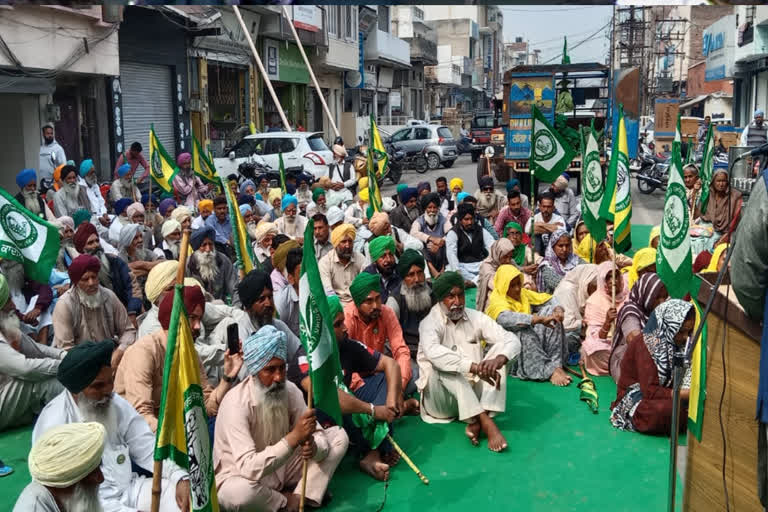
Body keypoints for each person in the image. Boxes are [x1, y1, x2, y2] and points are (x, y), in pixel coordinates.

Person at [34, 341, 191, 511]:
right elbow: (70, 499)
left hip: (130, 490)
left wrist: (179, 477)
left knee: (188, 500)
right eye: (98, 386)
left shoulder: (114, 403)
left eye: (110, 381)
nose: (109, 390)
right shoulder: (54, 425)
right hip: (89, 505)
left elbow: (147, 448)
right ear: (75, 390)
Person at [214, 326, 348, 511]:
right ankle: (284, 503)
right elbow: (248, 467)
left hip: (283, 469)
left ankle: (302, 495)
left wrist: (314, 447)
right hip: (244, 477)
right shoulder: (235, 404)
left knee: (338, 436)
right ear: (254, 372)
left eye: (281, 368)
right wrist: (294, 437)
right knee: (238, 495)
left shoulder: (290, 390)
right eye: (269, 370)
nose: (278, 377)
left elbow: (318, 435)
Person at [114, 285, 242, 432]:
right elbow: (141, 416)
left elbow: (206, 407)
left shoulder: (190, 354)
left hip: (180, 430)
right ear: (175, 319)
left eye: (199, 319)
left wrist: (227, 378)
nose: (197, 326)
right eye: (192, 318)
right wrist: (177, 442)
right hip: (146, 438)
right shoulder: (144, 352)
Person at [417, 272, 520, 451]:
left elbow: (511, 339)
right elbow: (434, 353)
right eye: (451, 296)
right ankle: (486, 422)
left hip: (474, 395)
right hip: (441, 403)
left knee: (501, 351)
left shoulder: (475, 317)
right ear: (440, 299)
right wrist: (474, 367)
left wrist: (499, 359)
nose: (458, 301)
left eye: (461, 295)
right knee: (443, 365)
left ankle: (479, 417)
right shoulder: (429, 323)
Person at [316, 296, 405, 481]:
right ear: (323, 329)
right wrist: (372, 410)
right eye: (338, 324)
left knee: (388, 383)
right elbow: (329, 396)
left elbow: (391, 365)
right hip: (320, 423)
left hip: (348, 412)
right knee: (355, 416)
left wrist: (389, 404)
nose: (345, 328)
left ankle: (373, 453)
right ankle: (375, 450)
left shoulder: (346, 345)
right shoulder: (306, 358)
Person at [610, 300, 695, 434]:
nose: (685, 337)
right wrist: (684, 394)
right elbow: (650, 391)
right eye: (681, 332)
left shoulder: (676, 343)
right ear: (668, 326)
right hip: (638, 395)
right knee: (667, 411)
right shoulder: (646, 345)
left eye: (688, 332)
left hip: (665, 392)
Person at [486, 265, 570, 386]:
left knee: (550, 312)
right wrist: (538, 319)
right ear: (503, 286)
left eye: (518, 284)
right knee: (523, 329)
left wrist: (557, 310)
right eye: (512, 285)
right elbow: (505, 319)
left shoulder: (522, 293)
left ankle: (556, 364)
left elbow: (549, 299)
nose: (517, 289)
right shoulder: (496, 301)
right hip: (507, 351)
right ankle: (548, 370)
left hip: (530, 343)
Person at [0, 274, 64, 431]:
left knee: (46, 373)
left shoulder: (5, 325)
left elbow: (36, 349)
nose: (13, 305)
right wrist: (65, 365)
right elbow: (25, 368)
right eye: (8, 300)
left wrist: (65, 356)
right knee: (41, 382)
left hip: (6, 393)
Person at [51, 255, 136, 368]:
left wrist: (120, 351)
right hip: (80, 364)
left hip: (110, 358)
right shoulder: (65, 304)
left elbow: (128, 330)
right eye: (85, 279)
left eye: (94, 277)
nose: (91, 283)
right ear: (76, 282)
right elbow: (67, 349)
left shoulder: (109, 296)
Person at [345, 273, 413, 393]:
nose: (376, 305)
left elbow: (400, 349)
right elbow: (343, 363)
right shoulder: (347, 319)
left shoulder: (386, 312)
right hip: (355, 379)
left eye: (378, 298)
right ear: (357, 303)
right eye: (369, 301)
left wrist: (400, 385)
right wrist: (360, 387)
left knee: (414, 376)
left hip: (378, 372)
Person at [14, 422, 106, 512]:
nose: (101, 479)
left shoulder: (66, 499)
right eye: (91, 475)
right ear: (65, 482)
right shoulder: (34, 508)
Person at [73, 222, 143, 318]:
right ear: (81, 248)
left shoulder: (114, 261)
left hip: (125, 313)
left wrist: (132, 311)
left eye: (97, 241)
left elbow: (132, 287)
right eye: (90, 243)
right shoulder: (77, 271)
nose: (96, 245)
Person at [609, 273, 668, 384]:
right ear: (646, 294)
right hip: (626, 360)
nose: (662, 302)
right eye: (657, 297)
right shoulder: (630, 311)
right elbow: (634, 341)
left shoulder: (659, 312)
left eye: (664, 297)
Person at [581, 261, 629, 376]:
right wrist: (607, 322)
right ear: (602, 281)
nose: (613, 282)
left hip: (626, 342)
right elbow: (594, 336)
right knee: (593, 352)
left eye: (616, 277)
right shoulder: (594, 301)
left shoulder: (629, 296)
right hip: (606, 345)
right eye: (608, 278)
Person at [387, 249, 431, 359]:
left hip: (435, 346)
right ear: (403, 278)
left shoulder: (433, 292)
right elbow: (390, 339)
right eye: (411, 275)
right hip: (409, 352)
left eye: (420, 273)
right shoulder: (394, 302)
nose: (416, 279)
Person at [552, 264, 600, 357]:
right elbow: (566, 325)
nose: (596, 292)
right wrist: (583, 323)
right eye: (594, 288)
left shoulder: (583, 289)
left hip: (582, 328)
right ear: (586, 283)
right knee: (570, 339)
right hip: (566, 331)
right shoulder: (567, 291)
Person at [187, 226, 240, 307]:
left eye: (210, 244)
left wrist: (236, 308)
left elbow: (235, 288)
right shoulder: (188, 264)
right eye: (204, 245)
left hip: (221, 307)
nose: (208, 249)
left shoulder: (223, 260)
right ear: (197, 248)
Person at [445, 202, 493, 286]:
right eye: (466, 219)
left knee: (493, 269)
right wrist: (458, 272)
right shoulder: (453, 233)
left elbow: (492, 246)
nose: (470, 222)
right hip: (462, 267)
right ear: (460, 220)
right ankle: (477, 281)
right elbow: (451, 255)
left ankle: (472, 282)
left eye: (471, 219)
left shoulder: (481, 230)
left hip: (480, 266)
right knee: (451, 270)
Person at [695, 168, 743, 251]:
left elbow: (736, 220)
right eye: (718, 181)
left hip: (727, 232)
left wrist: (724, 237)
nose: (721, 184)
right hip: (706, 229)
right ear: (713, 182)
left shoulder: (735, 196)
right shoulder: (707, 194)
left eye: (723, 181)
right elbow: (697, 214)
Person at [319, 224, 366, 304]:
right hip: (336, 305)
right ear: (336, 244)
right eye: (343, 242)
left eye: (350, 241)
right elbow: (328, 291)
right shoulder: (325, 262)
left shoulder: (360, 259)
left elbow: (364, 286)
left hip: (357, 303)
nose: (347, 246)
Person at [410, 192, 448, 278]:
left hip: (440, 253)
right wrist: (431, 238)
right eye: (429, 207)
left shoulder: (442, 219)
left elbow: (451, 232)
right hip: (427, 254)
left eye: (435, 207)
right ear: (425, 209)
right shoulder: (419, 221)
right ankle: (432, 271)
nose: (432, 210)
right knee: (420, 248)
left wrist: (441, 242)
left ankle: (443, 270)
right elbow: (413, 233)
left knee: (448, 245)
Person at [536, 229, 583, 294]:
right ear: (553, 246)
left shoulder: (576, 260)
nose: (564, 249)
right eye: (560, 246)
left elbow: (587, 271)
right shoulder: (546, 265)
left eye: (567, 245)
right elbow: (557, 284)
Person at [475, 238, 515, 314]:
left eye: (510, 257)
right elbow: (494, 285)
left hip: (508, 292)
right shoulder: (486, 266)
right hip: (493, 295)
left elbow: (517, 270)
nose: (508, 260)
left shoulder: (509, 261)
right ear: (497, 253)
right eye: (505, 257)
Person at [362, 236, 402, 304]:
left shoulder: (401, 271)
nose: (388, 260)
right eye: (383, 256)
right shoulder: (367, 277)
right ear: (375, 260)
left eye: (391, 254)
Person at [525, 192, 566, 256]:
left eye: (549, 207)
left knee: (555, 235)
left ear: (553, 207)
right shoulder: (534, 217)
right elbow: (527, 230)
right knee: (535, 236)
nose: (546, 209)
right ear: (540, 207)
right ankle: (537, 259)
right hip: (538, 248)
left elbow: (562, 231)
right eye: (544, 206)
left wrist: (541, 224)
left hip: (553, 251)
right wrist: (553, 227)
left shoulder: (559, 218)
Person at [274, 248, 303, 337]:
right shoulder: (281, 302)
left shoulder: (319, 292)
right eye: (302, 274)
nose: (308, 278)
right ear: (291, 278)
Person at [78, 160, 110, 226]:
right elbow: (88, 210)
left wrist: (104, 214)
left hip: (102, 216)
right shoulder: (81, 189)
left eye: (94, 172)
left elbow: (101, 202)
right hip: (91, 220)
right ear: (85, 175)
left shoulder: (95, 185)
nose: (94, 175)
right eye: (91, 173)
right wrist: (99, 218)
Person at [205, 195, 234, 259]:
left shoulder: (231, 219)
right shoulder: (209, 221)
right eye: (219, 209)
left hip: (232, 249)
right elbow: (214, 234)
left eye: (224, 208)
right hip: (217, 252)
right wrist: (227, 242)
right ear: (214, 209)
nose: (222, 211)